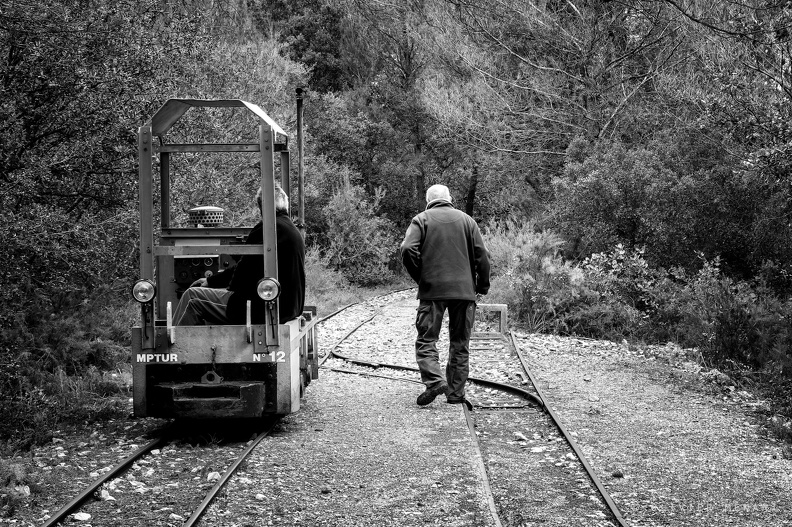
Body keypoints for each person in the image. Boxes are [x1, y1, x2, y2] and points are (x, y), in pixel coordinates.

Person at [400, 184, 491, 406]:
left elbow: (407, 248)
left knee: (427, 339)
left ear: (427, 200)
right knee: (460, 342)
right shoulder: (468, 221)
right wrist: (482, 286)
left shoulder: (421, 220)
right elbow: (483, 256)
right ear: (449, 198)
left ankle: (434, 381)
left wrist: (421, 277)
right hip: (464, 292)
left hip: (432, 292)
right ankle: (455, 394)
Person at [172, 184, 305, 326]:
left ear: (261, 206)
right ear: (285, 204)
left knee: (191, 296)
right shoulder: (291, 230)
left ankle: (174, 347)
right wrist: (211, 282)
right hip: (289, 307)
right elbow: (250, 267)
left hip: (261, 308)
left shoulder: (268, 229)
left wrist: (214, 284)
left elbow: (242, 274)